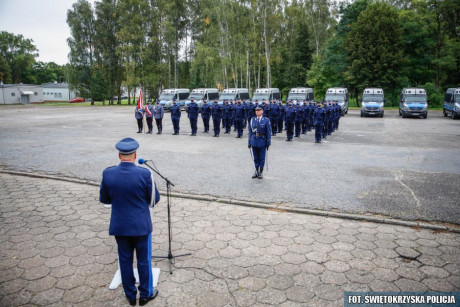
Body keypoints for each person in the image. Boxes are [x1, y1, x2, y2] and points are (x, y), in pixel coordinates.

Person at [99, 138, 160, 306]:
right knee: (144, 260)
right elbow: (154, 200)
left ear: (119, 155)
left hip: (120, 225)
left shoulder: (108, 173)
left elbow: (104, 199)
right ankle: (146, 294)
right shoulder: (144, 173)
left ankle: (131, 296)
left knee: (125, 261)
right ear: (135, 155)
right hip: (141, 226)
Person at [248, 106, 271, 179]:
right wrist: (249, 142)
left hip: (262, 141)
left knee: (262, 157)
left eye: (259, 110)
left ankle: (260, 172)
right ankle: (256, 170)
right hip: (254, 141)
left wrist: (268, 143)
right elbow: (250, 132)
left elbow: (268, 132)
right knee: (255, 157)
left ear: (262, 111)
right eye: (256, 110)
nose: (257, 111)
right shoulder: (252, 120)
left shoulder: (266, 120)